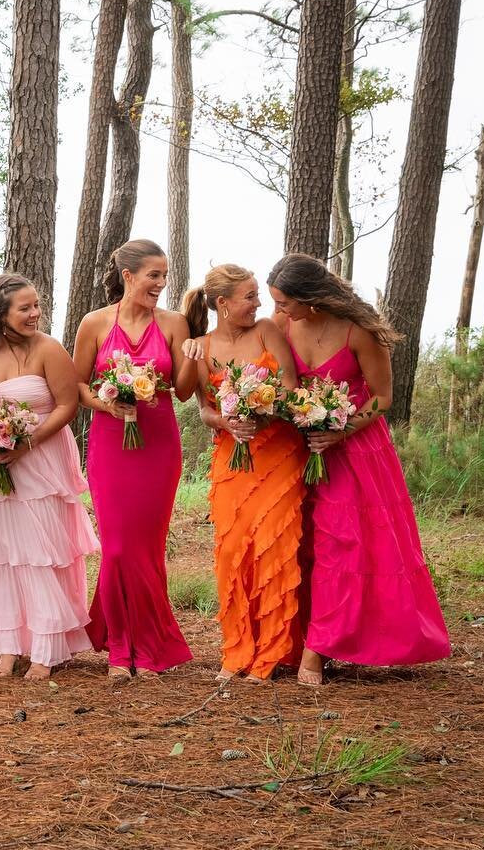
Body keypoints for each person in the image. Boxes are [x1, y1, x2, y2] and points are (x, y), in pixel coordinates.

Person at [267, 253, 451, 685]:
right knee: (300, 544)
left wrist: (339, 429)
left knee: (342, 546)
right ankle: (292, 642)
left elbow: (382, 398)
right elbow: (275, 377)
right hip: (301, 446)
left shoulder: (361, 333)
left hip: (353, 449)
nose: (278, 311)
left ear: (310, 301)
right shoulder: (282, 325)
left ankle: (318, 650)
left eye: (284, 303)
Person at [72, 238, 199, 682]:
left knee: (147, 549)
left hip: (158, 441)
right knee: (118, 547)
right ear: (128, 276)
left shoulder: (175, 323)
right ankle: (120, 645)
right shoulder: (93, 323)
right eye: (153, 275)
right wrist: (107, 404)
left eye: (164, 276)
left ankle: (148, 648)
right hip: (110, 441)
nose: (161, 284)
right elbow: (77, 387)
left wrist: (192, 359)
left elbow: (182, 391)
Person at [0, 274, 99, 680]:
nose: (35, 314)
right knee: (2, 553)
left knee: (40, 551)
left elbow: (67, 404)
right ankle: (7, 647)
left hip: (40, 461)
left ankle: (46, 647)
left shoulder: (49, 349)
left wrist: (28, 442)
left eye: (37, 305)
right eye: (25, 308)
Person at [181, 264, 306, 682]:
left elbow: (290, 383)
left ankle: (272, 654)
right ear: (222, 303)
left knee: (274, 546)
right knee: (234, 550)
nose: (258, 304)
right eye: (250, 296)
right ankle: (237, 651)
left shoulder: (268, 330)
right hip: (232, 457)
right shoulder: (201, 346)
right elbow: (203, 408)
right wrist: (228, 422)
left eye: (257, 296)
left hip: (278, 453)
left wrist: (265, 409)